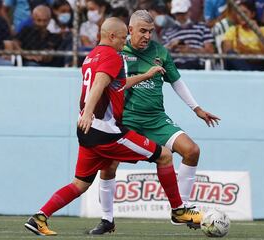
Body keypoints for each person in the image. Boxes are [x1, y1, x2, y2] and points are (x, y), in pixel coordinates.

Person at [24, 17, 202, 236]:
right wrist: (89, 112)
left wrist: (145, 75)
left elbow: (114, 84)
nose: (124, 42)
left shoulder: (91, 56)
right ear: (111, 36)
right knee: (164, 156)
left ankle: (39, 217)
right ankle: (178, 210)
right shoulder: (112, 56)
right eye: (122, 37)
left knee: (80, 184)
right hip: (106, 131)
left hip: (86, 131)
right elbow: (99, 82)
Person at [88, 10, 220, 235]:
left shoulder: (160, 52)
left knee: (191, 150)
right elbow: (112, 84)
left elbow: (176, 81)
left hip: (156, 120)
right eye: (142, 31)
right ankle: (107, 219)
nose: (147, 36)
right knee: (108, 166)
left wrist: (196, 108)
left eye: (150, 31)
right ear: (129, 31)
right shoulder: (117, 52)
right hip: (125, 120)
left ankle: (182, 209)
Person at [162, 0, 214, 70]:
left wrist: (190, 50)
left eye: (182, 13)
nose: (179, 16)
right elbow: (161, 55)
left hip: (197, 65)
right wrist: (171, 46)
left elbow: (210, 51)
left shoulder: (202, 27)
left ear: (189, 11)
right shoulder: (167, 32)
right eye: (177, 13)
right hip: (176, 68)